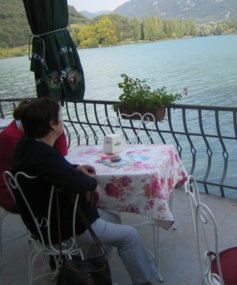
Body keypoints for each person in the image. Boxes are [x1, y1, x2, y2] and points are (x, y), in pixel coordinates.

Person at [11, 98, 156, 285]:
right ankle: (144, 281)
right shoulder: (44, 155)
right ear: (52, 124)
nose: (62, 122)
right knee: (130, 236)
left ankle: (93, 271)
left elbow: (58, 172)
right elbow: (76, 183)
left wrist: (76, 169)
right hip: (64, 230)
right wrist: (91, 184)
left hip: (43, 224)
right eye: (60, 118)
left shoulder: (28, 147)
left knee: (112, 217)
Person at [0, 99, 68, 212]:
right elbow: (49, 162)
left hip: (26, 184)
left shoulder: (28, 134)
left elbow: (61, 152)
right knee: (67, 192)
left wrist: (57, 127)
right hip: (12, 191)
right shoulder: (13, 138)